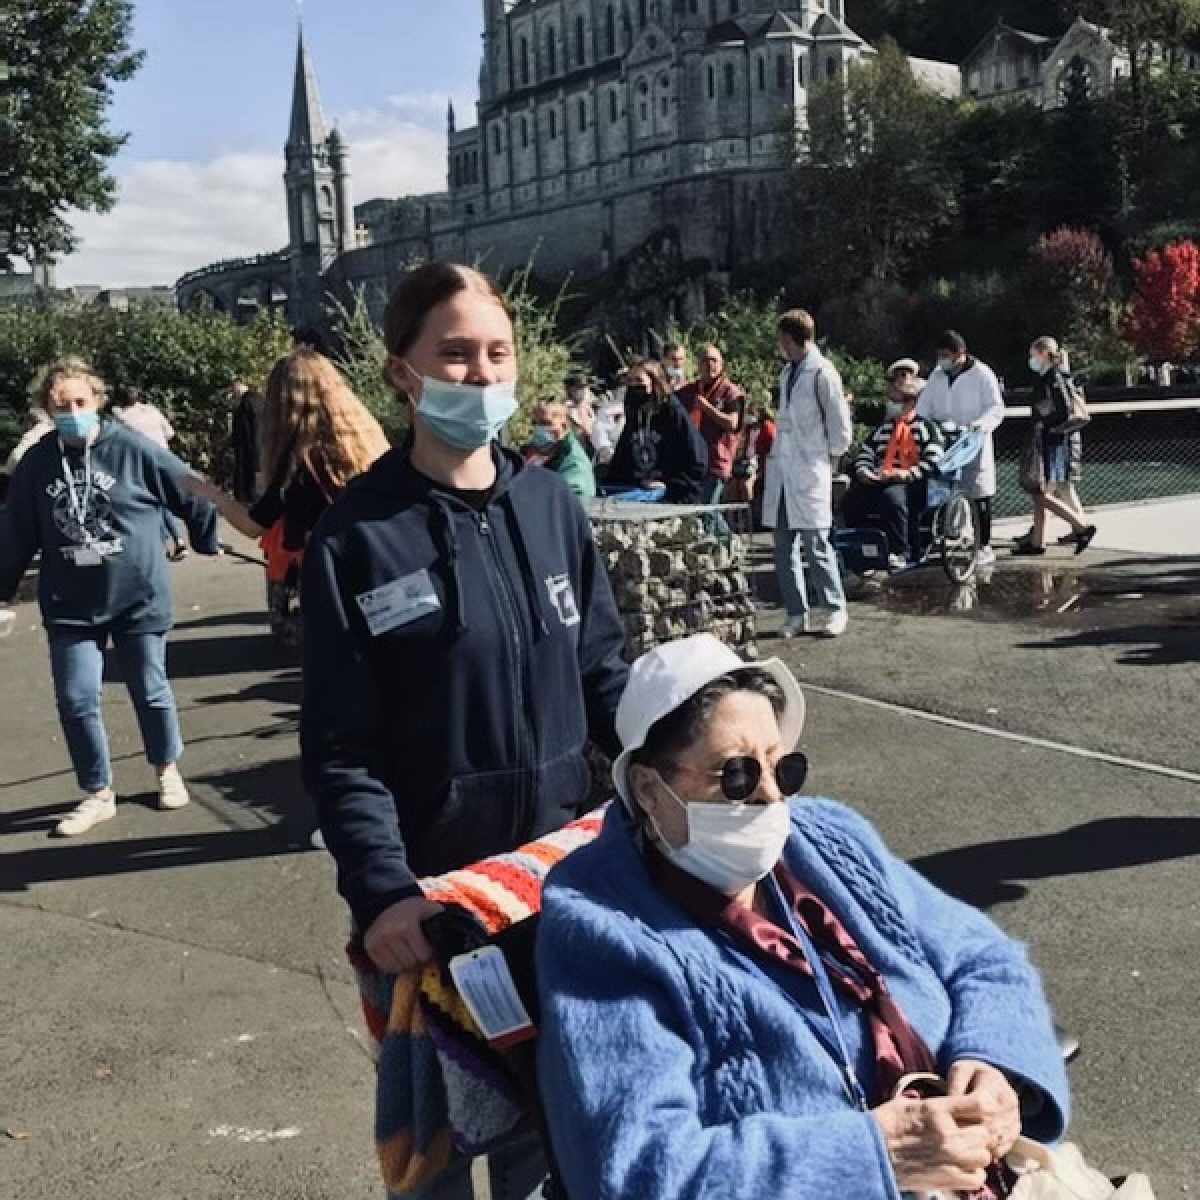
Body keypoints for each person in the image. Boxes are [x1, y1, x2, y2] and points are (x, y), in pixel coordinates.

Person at [299, 262, 630, 1200]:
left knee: (553, 1136)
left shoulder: (550, 505)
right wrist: (383, 893)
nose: (483, 374)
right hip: (431, 911)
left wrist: (696, 761)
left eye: (498, 352)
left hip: (556, 886)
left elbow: (604, 673)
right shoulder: (357, 537)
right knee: (438, 1159)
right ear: (402, 372)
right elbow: (342, 747)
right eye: (455, 353)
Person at [536, 633, 1069, 1200]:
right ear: (648, 788)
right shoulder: (602, 926)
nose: (771, 797)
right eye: (736, 775)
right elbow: (641, 1171)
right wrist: (876, 1154)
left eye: (782, 768)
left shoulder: (827, 838)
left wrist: (993, 1062)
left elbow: (983, 955)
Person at [0, 358, 220, 837]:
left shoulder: (131, 449)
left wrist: (205, 537)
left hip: (137, 596)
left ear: (97, 401)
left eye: (80, 402)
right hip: (71, 603)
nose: (72, 413)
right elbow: (15, 531)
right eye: (61, 406)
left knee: (150, 690)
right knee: (76, 698)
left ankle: (166, 768)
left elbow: (192, 489)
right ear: (47, 410)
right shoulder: (38, 463)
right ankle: (98, 792)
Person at [179, 348, 390, 647]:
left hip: (330, 576)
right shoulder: (364, 441)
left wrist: (212, 495)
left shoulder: (299, 459)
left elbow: (254, 525)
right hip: (377, 566)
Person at [763, 309, 853, 638]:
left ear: (791, 339)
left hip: (811, 466)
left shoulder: (822, 373)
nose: (780, 346)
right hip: (784, 467)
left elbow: (840, 425)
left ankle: (834, 608)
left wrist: (831, 460)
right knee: (783, 545)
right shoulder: (787, 373)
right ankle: (796, 613)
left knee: (816, 543)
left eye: (782, 340)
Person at [916, 331, 1006, 567]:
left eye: (946, 355)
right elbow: (924, 408)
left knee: (979, 494)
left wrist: (981, 424)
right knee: (942, 491)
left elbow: (996, 408)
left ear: (960, 354)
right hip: (944, 441)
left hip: (972, 440)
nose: (942, 360)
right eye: (940, 355)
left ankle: (983, 545)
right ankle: (946, 537)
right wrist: (923, 427)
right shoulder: (937, 375)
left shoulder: (982, 374)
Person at [842, 361, 943, 570]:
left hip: (910, 482)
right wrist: (864, 472)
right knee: (851, 500)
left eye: (901, 400)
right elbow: (866, 453)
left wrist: (907, 474)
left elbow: (934, 458)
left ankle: (901, 551)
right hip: (880, 477)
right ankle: (861, 547)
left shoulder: (926, 427)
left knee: (893, 499)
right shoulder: (883, 428)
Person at [1014, 337, 1097, 557]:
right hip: (1052, 440)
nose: (1031, 359)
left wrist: (1046, 423)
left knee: (1040, 493)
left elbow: (1062, 409)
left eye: (1033, 354)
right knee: (1045, 491)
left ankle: (1080, 527)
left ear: (1043, 353)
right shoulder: (1055, 376)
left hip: (1051, 441)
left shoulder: (1053, 378)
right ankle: (1038, 541)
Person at [606, 358, 708, 504]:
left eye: (639, 380)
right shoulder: (635, 412)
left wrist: (671, 485)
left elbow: (697, 457)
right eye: (630, 381)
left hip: (669, 495)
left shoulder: (672, 412)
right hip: (638, 489)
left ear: (654, 382)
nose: (634, 385)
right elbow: (623, 454)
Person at [108, 385, 188, 560]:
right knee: (164, 503)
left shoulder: (122, 418)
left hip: (140, 464)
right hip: (165, 459)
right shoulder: (152, 411)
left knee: (152, 504)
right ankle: (178, 540)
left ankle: (162, 544)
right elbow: (170, 433)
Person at [678, 344, 745, 507]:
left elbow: (732, 423)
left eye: (714, 360)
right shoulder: (687, 392)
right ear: (698, 364)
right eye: (705, 360)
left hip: (715, 462)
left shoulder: (730, 392)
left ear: (721, 364)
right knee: (697, 511)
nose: (709, 365)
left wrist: (707, 408)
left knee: (706, 510)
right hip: (691, 462)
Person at [527, 399, 597, 498]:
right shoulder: (538, 452)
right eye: (535, 423)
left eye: (545, 423)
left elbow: (569, 499)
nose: (538, 428)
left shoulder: (575, 466)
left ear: (564, 426)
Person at [229, 379, 264, 504]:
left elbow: (241, 439)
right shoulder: (262, 401)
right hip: (264, 455)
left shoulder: (244, 406)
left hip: (248, 458)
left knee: (250, 495)